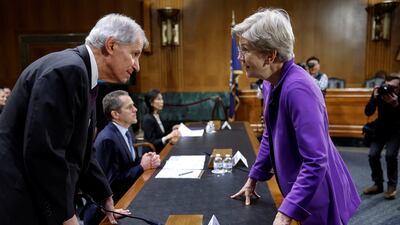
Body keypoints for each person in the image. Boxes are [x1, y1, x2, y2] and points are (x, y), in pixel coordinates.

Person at [0, 13, 148, 225]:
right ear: (111, 45)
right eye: (134, 54)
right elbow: (44, 154)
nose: (137, 65)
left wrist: (104, 196)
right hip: (20, 200)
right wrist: (67, 216)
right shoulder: (68, 71)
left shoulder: (83, 73)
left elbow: (82, 149)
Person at [229, 8, 360, 225]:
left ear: (270, 55)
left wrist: (286, 211)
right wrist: (254, 178)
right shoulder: (272, 81)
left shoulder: (298, 89)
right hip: (300, 190)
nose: (239, 57)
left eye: (244, 50)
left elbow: (316, 160)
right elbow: (271, 136)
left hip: (317, 197)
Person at [84, 90, 160, 225]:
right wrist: (142, 166)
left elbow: (129, 164)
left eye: (134, 105)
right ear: (115, 114)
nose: (135, 109)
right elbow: (110, 184)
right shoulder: (108, 139)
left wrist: (146, 159)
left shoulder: (126, 130)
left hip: (128, 193)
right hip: (108, 210)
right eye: (129, 107)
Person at [363, 73, 400, 199]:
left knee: (390, 155)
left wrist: (396, 104)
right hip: (381, 128)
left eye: (395, 87)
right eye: (389, 86)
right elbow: (368, 112)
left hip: (396, 130)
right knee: (372, 155)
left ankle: (392, 186)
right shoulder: (380, 92)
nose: (391, 89)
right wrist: (374, 97)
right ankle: (378, 184)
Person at [143, 89, 181, 153]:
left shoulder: (157, 115)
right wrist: (168, 137)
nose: (162, 101)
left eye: (162, 99)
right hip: (154, 153)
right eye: (159, 99)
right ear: (151, 102)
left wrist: (173, 128)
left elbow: (162, 132)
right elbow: (152, 143)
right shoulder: (148, 119)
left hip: (162, 148)